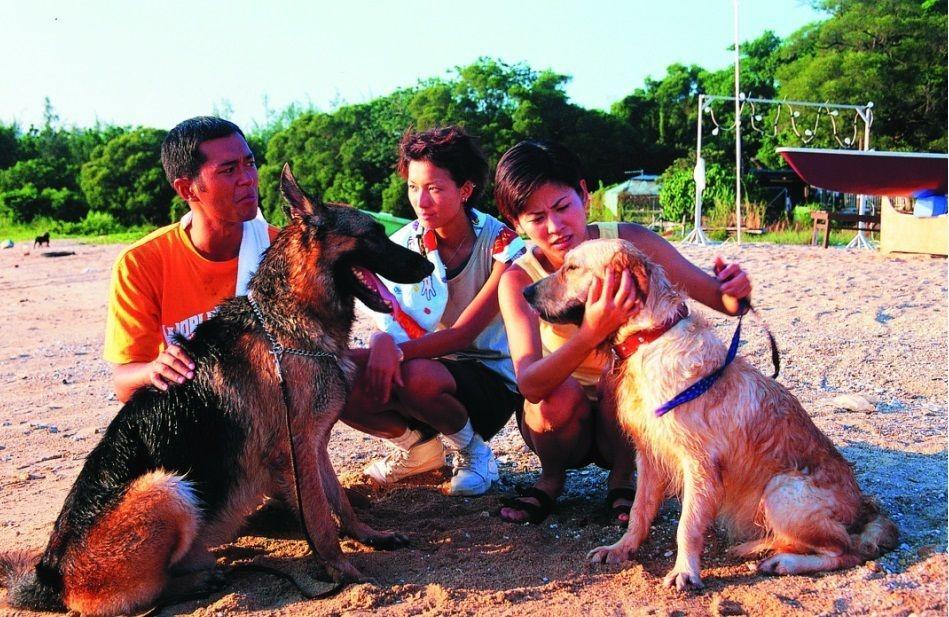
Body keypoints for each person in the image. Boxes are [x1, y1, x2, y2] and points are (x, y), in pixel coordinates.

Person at [493, 140, 752, 524]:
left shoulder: (628, 247)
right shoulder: (520, 280)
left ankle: (623, 478)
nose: (555, 226)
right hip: (563, 422)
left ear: (584, 195)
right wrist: (593, 331)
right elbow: (529, 384)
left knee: (622, 377)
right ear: (516, 223)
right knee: (552, 396)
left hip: (632, 416)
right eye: (536, 216)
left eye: (563, 207)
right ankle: (550, 479)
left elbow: (718, 299)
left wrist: (734, 293)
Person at [342, 126, 526, 496]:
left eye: (434, 188)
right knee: (334, 374)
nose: (421, 201)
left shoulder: (503, 244)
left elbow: (463, 334)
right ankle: (418, 450)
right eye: (413, 187)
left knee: (415, 375)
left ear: (465, 189)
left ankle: (475, 455)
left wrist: (388, 350)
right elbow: (391, 322)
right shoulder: (403, 244)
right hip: (422, 364)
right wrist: (379, 342)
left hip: (487, 375)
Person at [104, 116, 276, 402]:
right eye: (229, 169)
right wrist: (154, 370)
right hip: (197, 410)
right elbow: (124, 384)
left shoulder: (279, 248)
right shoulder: (141, 263)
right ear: (187, 189)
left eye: (250, 163)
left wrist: (380, 339)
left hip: (271, 407)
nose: (248, 179)